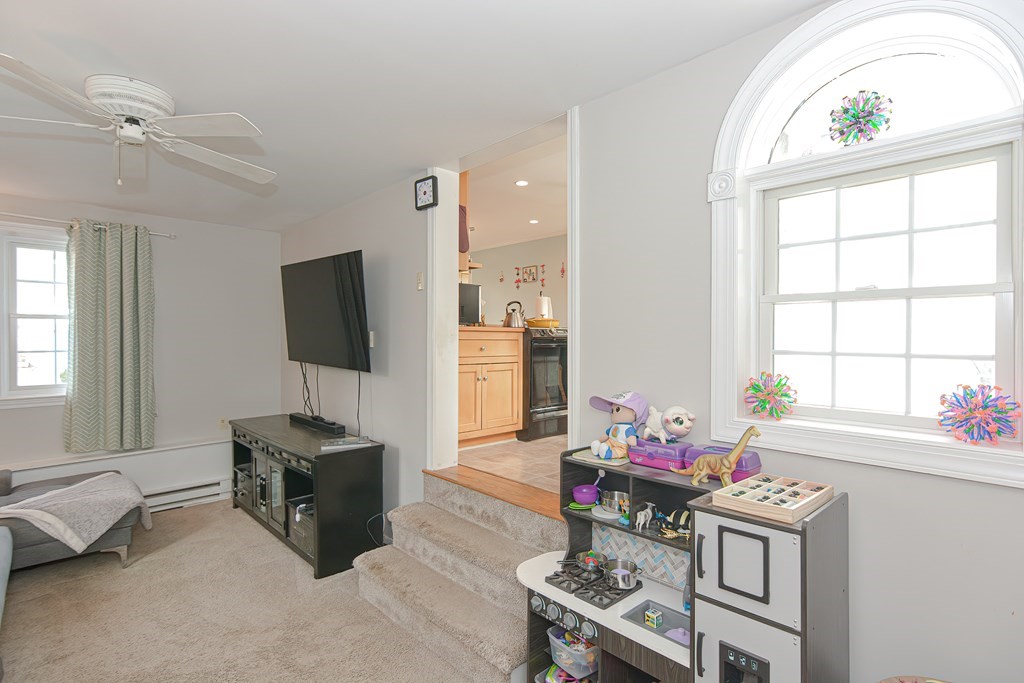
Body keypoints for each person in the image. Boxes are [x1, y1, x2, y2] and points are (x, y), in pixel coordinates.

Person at [589, 391, 649, 460]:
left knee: (620, 452)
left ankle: (608, 453)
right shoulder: (614, 426)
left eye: (617, 409)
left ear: (634, 412)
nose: (613, 413)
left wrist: (632, 441)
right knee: (604, 445)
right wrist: (599, 441)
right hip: (610, 443)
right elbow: (606, 434)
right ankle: (598, 449)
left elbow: (632, 441)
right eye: (612, 410)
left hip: (621, 447)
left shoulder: (629, 428)